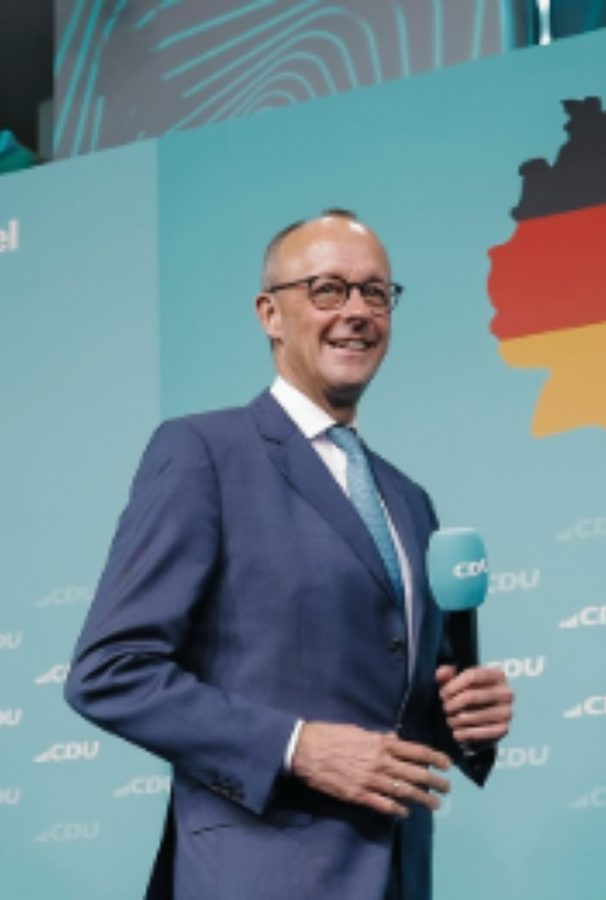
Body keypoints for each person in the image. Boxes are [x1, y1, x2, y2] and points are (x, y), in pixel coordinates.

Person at [65, 209, 513, 899]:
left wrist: (464, 720)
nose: (357, 311)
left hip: (397, 876)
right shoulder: (204, 453)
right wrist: (296, 746)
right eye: (328, 289)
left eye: (375, 292)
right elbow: (110, 671)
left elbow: (395, 701)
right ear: (270, 314)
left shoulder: (410, 500)